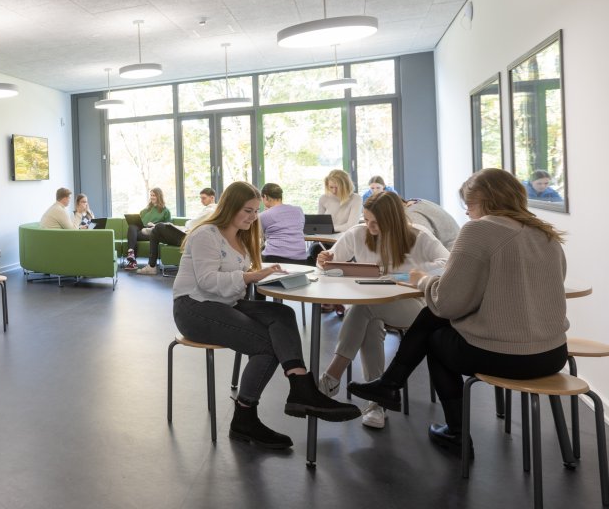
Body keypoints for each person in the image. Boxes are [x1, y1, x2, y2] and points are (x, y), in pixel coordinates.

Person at [349, 168, 568, 454]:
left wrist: (423, 280)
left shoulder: (479, 230)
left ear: (488, 201)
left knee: (434, 335)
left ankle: (454, 430)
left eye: (470, 204)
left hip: (508, 356)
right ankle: (389, 385)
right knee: (434, 321)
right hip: (552, 355)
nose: (467, 212)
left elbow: (447, 303)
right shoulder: (546, 233)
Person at [172, 182, 361, 450]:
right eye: (247, 211)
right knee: (266, 346)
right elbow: (207, 281)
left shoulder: (241, 237)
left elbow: (234, 282)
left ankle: (301, 387)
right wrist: (251, 276)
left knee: (282, 313)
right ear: (230, 207)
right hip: (193, 308)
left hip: (224, 304)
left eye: (256, 211)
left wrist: (266, 276)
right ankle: (244, 417)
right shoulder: (206, 234)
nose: (253, 217)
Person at [315, 192, 449, 429]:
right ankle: (376, 404)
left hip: (414, 309)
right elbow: (330, 264)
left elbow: (448, 264)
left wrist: (409, 274)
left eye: (375, 222)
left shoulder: (418, 236)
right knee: (369, 319)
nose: (370, 226)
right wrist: (323, 260)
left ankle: (330, 378)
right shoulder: (359, 233)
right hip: (371, 307)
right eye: (366, 220)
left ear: (393, 219)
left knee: (364, 306)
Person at [135, 187, 217, 275]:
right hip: (188, 234)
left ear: (212, 198)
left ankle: (151, 266)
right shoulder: (209, 210)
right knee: (155, 233)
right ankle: (151, 266)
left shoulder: (210, 210)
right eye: (201, 198)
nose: (201, 201)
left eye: (204, 198)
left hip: (187, 238)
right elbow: (192, 225)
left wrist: (185, 224)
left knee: (159, 227)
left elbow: (191, 224)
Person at [258, 183, 309, 265]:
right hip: (301, 259)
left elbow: (258, 236)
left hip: (274, 258)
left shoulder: (264, 215)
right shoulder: (298, 210)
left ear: (265, 197)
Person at [125, 187, 171, 271]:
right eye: (151, 195)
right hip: (141, 231)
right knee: (132, 226)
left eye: (154, 195)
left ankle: (132, 262)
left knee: (133, 236)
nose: (152, 197)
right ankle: (131, 253)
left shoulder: (165, 211)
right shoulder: (146, 210)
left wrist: (154, 225)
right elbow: (140, 221)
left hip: (153, 233)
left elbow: (168, 226)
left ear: (159, 196)